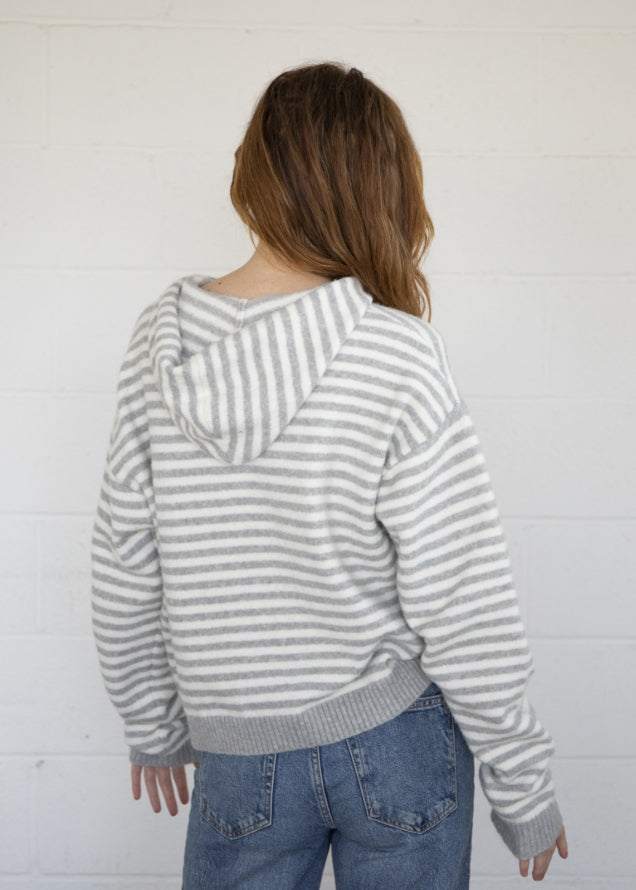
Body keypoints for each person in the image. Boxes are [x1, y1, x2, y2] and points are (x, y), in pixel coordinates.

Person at [91, 62, 568, 888]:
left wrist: (152, 720)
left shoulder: (159, 346)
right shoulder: (396, 351)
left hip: (239, 754)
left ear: (253, 176)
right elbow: (463, 589)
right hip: (397, 738)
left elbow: (123, 560)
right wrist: (522, 781)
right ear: (380, 189)